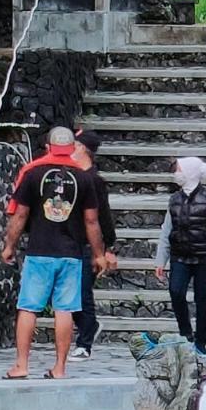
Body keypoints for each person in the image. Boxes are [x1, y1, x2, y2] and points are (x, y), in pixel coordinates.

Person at [1, 127, 108, 380]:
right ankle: (59, 368)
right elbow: (92, 221)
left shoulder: (33, 173)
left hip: (39, 251)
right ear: (72, 148)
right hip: (71, 254)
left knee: (28, 307)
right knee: (65, 310)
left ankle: (22, 365)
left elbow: (21, 215)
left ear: (49, 146)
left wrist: (9, 246)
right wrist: (99, 253)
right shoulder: (83, 178)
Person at [154, 157, 206, 354]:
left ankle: (200, 341)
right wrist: (161, 259)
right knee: (176, 291)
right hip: (180, 255)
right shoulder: (174, 199)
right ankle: (185, 333)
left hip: (205, 257)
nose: (176, 173)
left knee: (202, 299)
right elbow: (166, 230)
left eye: (179, 169)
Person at [69, 130, 119, 360]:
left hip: (90, 244)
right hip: (70, 241)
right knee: (68, 292)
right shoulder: (73, 175)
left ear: (82, 148)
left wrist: (106, 248)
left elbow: (103, 216)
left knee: (82, 293)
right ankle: (89, 327)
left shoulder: (94, 180)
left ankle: (85, 341)